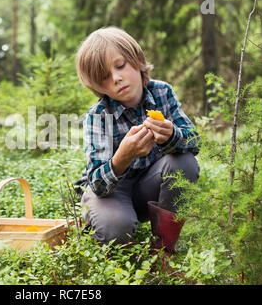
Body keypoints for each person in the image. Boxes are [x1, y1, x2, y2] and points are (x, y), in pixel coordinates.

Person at [74, 27, 200, 255]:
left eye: (120, 66)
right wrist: (123, 156)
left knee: (184, 163)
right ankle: (114, 240)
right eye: (104, 77)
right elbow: (97, 184)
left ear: (138, 60)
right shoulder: (98, 115)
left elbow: (195, 142)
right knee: (116, 227)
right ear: (97, 85)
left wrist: (172, 136)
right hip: (112, 192)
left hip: (149, 185)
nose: (116, 78)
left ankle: (163, 251)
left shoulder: (162, 93)